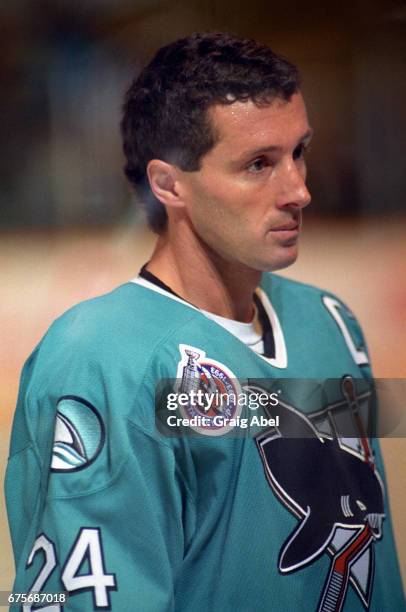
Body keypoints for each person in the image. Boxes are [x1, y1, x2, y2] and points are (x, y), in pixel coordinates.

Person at [5, 32, 404, 611]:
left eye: (299, 152)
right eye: (258, 164)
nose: (300, 190)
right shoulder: (103, 361)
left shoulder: (330, 322)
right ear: (168, 184)